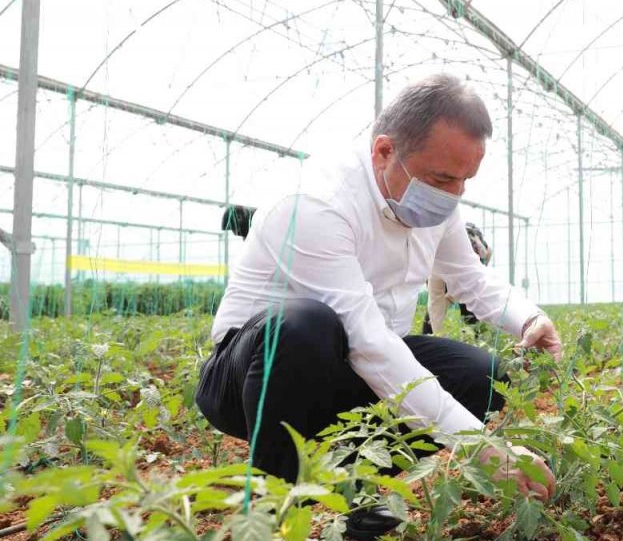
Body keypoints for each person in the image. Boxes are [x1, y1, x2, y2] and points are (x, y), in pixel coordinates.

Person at [195, 75, 562, 540]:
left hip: (354, 370)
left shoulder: (437, 205)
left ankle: (363, 498)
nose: (454, 195)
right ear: (384, 151)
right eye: (442, 179)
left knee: (481, 374)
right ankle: (274, 515)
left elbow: (469, 278)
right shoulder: (316, 203)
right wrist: (480, 445)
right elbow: (368, 343)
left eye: (464, 180)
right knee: (306, 326)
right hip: (254, 375)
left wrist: (528, 317)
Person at [423, 222, 492, 334]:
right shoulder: (439, 263)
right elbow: (435, 302)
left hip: (468, 279)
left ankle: (476, 336)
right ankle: (429, 337)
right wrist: (438, 335)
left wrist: (454, 295)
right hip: (443, 277)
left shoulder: (484, 250)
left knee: (471, 307)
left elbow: (484, 262)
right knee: (434, 314)